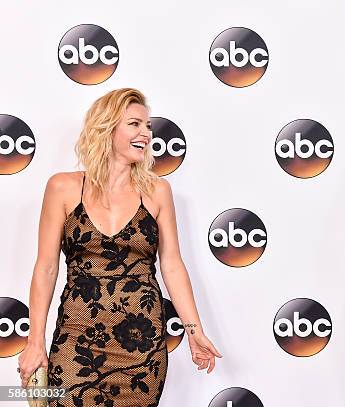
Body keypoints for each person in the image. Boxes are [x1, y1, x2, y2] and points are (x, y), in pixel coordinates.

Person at [17, 88, 222, 406]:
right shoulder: (63, 187)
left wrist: (194, 330)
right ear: (108, 127)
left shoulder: (157, 192)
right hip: (77, 338)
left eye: (148, 126)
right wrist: (34, 342)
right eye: (135, 124)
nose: (146, 133)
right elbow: (46, 267)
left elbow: (171, 265)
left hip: (142, 348)